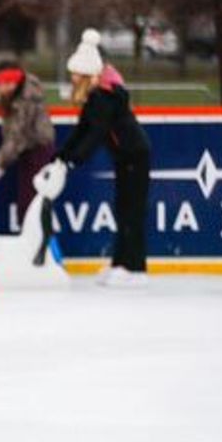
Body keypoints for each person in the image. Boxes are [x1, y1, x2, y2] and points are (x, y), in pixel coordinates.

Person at [56, 29, 152, 286]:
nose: (72, 77)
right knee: (122, 210)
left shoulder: (104, 98)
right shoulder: (95, 98)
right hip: (125, 158)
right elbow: (82, 130)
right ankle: (121, 264)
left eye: (76, 73)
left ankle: (136, 268)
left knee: (131, 212)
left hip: (135, 155)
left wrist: (76, 159)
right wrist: (62, 156)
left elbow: (96, 133)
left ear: (88, 74)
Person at [0, 60, 56, 221]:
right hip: (27, 151)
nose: (2, 88)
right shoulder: (16, 93)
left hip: (38, 151)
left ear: (15, 81)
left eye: (7, 83)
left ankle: (41, 244)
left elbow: (17, 136)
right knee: (27, 205)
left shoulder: (27, 99)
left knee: (32, 205)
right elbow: (7, 100)